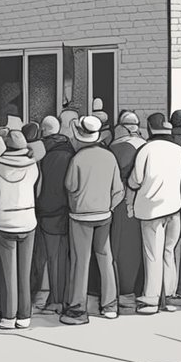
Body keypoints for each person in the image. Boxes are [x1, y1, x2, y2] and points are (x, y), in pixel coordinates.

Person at [61, 116, 125, 324]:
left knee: (81, 261)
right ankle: (110, 306)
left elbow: (70, 186)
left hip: (80, 217)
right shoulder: (109, 157)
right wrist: (109, 207)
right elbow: (119, 190)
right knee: (105, 257)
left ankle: (78, 309)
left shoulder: (78, 159)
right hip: (104, 215)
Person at [129, 113, 181, 315]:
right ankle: (169, 297)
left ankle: (151, 300)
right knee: (169, 252)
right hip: (174, 208)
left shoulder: (145, 150)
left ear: (149, 127)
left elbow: (134, 180)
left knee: (152, 255)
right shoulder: (179, 150)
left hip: (151, 210)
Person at [0, 129, 41, 330]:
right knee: (25, 271)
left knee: (7, 272)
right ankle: (24, 315)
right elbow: (37, 188)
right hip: (28, 218)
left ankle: (8, 316)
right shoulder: (33, 165)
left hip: (5, 219)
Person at [35, 115, 75, 315]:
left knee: (51, 257)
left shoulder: (42, 153)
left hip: (48, 211)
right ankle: (65, 298)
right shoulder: (71, 151)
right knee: (65, 256)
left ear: (44, 131)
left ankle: (55, 300)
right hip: (68, 210)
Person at [109, 113, 145, 308]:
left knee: (120, 246)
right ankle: (134, 288)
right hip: (141, 201)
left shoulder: (117, 147)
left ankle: (120, 288)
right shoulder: (145, 144)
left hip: (121, 201)